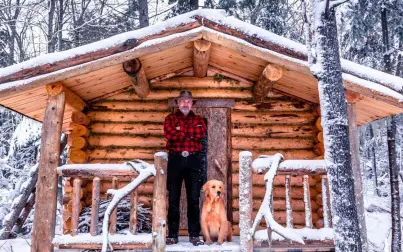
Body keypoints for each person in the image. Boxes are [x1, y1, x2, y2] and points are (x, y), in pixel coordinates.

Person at [163, 90, 207, 246]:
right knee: (173, 198)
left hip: (194, 161)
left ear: (192, 103)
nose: (185, 103)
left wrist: (179, 131)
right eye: (182, 101)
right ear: (177, 103)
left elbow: (200, 133)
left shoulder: (200, 120)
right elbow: (169, 134)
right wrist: (187, 133)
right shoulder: (170, 118)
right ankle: (172, 235)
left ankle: (194, 235)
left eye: (188, 101)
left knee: (194, 199)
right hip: (175, 160)